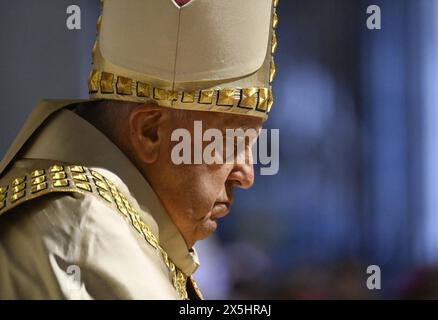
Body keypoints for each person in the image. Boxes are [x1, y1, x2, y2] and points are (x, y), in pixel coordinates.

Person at [0, 0, 279, 299]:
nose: (246, 175)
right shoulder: (88, 234)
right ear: (150, 132)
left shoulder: (111, 219)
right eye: (230, 142)